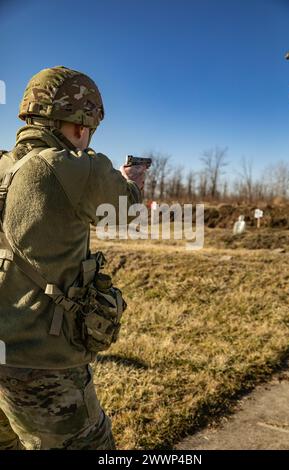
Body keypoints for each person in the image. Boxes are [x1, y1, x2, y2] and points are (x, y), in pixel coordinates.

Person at [0, 66, 146, 450]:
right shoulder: (74, 167)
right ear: (81, 126)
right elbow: (127, 212)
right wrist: (132, 181)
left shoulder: (2, 166)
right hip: (44, 369)